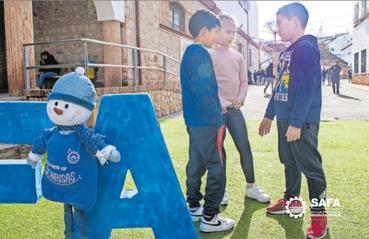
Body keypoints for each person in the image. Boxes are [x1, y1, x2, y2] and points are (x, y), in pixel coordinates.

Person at [258, 3, 328, 239]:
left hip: (301, 122)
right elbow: (279, 85)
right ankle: (291, 203)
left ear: (295, 21)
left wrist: (296, 123)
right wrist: (269, 114)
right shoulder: (289, 50)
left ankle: (319, 217)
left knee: (312, 169)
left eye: (280, 23)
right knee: (290, 163)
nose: (277, 28)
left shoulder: (306, 48)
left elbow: (307, 90)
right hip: (285, 119)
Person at [180, 9, 235, 233]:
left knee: (196, 163)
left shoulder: (188, 53)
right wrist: (217, 117)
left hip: (193, 121)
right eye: (215, 32)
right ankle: (211, 216)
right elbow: (203, 90)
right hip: (208, 121)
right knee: (217, 166)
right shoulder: (201, 53)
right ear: (204, 32)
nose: (216, 37)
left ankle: (193, 205)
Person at [209, 14, 270, 206]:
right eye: (228, 31)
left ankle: (251, 186)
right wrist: (221, 102)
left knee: (244, 146)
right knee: (219, 152)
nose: (231, 36)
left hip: (235, 110)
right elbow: (207, 84)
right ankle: (222, 190)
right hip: (216, 111)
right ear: (216, 31)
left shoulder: (238, 56)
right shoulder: (207, 54)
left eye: (234, 32)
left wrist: (241, 98)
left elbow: (244, 82)